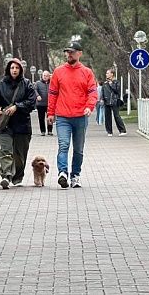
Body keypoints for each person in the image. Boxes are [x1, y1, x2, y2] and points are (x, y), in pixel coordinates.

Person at [47, 41, 98, 189]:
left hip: (80, 117)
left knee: (78, 149)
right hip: (63, 117)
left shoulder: (87, 72)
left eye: (72, 52)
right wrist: (50, 113)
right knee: (63, 145)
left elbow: (92, 92)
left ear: (79, 53)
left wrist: (89, 107)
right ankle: (63, 173)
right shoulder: (58, 72)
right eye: (67, 52)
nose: (69, 54)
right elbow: (53, 93)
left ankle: (75, 175)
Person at [0, 58, 36, 189]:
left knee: (20, 155)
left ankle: (17, 176)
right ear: (8, 70)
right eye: (12, 68)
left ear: (20, 70)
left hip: (22, 124)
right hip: (5, 124)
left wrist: (17, 107)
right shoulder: (0, 84)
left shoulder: (27, 84)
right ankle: (6, 176)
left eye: (17, 68)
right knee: (5, 151)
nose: (14, 70)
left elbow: (32, 102)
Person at [101, 68, 127, 136]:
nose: (106, 74)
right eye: (106, 73)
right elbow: (102, 91)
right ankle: (109, 131)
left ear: (112, 74)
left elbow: (117, 90)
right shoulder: (105, 83)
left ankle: (122, 130)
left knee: (117, 116)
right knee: (107, 117)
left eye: (108, 73)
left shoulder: (116, 82)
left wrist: (111, 84)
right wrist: (102, 99)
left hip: (114, 101)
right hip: (107, 101)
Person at [34, 70, 53, 136]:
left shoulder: (52, 83)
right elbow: (35, 90)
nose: (45, 77)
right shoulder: (38, 83)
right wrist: (37, 96)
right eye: (44, 75)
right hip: (40, 104)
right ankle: (43, 131)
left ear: (49, 76)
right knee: (41, 118)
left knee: (49, 118)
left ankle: (50, 131)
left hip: (49, 104)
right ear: (42, 76)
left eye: (46, 76)